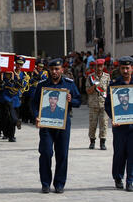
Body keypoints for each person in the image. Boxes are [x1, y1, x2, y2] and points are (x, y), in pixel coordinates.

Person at [33, 58, 81, 194]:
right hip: (46, 125)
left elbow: (79, 101)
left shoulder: (69, 84)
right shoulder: (42, 85)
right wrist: (37, 116)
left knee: (62, 154)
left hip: (63, 123)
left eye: (57, 69)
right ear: (49, 70)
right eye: (52, 69)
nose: (54, 72)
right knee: (46, 153)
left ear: (62, 70)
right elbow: (34, 103)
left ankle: (59, 183)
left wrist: (72, 100)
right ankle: (45, 183)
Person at [105, 56, 133, 192]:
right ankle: (118, 177)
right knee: (120, 153)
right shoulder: (114, 85)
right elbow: (107, 105)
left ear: (132, 68)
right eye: (123, 68)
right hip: (119, 127)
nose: (126, 70)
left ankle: (130, 181)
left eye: (128, 68)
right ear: (120, 69)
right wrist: (113, 117)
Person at [85, 59, 110, 150]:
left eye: (101, 66)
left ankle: (102, 142)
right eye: (97, 66)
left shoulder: (107, 77)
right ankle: (92, 141)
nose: (99, 68)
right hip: (93, 104)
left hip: (104, 104)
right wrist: (94, 86)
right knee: (92, 124)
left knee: (104, 123)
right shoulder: (90, 77)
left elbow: (110, 91)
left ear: (103, 66)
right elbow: (88, 91)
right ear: (95, 67)